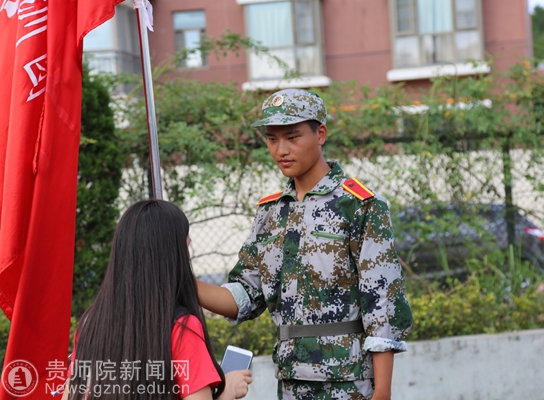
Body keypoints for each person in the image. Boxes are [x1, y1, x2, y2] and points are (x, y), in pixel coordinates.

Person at [196, 89, 413, 400]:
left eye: (292, 137)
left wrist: (383, 392)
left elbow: (381, 304)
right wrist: (183, 282)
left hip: (348, 382)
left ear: (320, 134)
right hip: (290, 382)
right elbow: (246, 294)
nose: (281, 150)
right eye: (272, 139)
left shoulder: (360, 206)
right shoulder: (270, 213)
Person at [62, 200, 252, 400]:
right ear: (174, 255)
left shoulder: (90, 325)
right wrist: (228, 391)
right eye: (186, 247)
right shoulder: (182, 327)